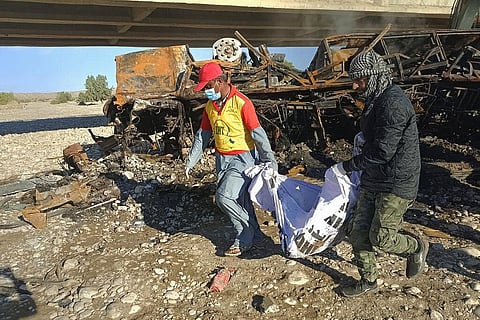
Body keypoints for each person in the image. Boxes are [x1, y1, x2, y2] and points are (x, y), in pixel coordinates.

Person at [331, 50, 428, 297]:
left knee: (382, 238)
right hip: (374, 177)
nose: (355, 85)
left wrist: (347, 166)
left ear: (374, 76)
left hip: (396, 182)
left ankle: (416, 246)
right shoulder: (376, 98)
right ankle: (368, 280)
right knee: (358, 231)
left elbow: (383, 152)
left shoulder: (393, 103)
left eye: (359, 80)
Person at [185, 62, 278, 257]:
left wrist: (270, 162)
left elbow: (258, 134)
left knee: (224, 197)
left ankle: (244, 235)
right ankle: (256, 236)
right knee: (240, 199)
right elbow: (203, 135)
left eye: (208, 87)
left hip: (243, 159)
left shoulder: (241, 102)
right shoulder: (210, 106)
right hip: (222, 159)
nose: (206, 92)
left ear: (219, 82)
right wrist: (191, 160)